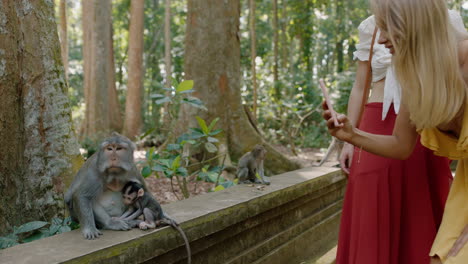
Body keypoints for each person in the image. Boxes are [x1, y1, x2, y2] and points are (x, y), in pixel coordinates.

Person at [323, 0, 468, 263]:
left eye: (387, 28)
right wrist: (351, 136)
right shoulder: (415, 71)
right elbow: (401, 145)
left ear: (410, 21)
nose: (381, 40)